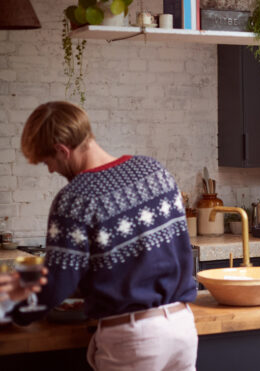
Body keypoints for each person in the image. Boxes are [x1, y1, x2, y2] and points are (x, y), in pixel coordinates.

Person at [14, 101, 199, 370]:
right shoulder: (155, 172)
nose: (51, 170)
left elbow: (55, 284)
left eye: (47, 162)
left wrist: (12, 313)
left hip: (133, 339)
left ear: (61, 150)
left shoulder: (75, 198)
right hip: (182, 328)